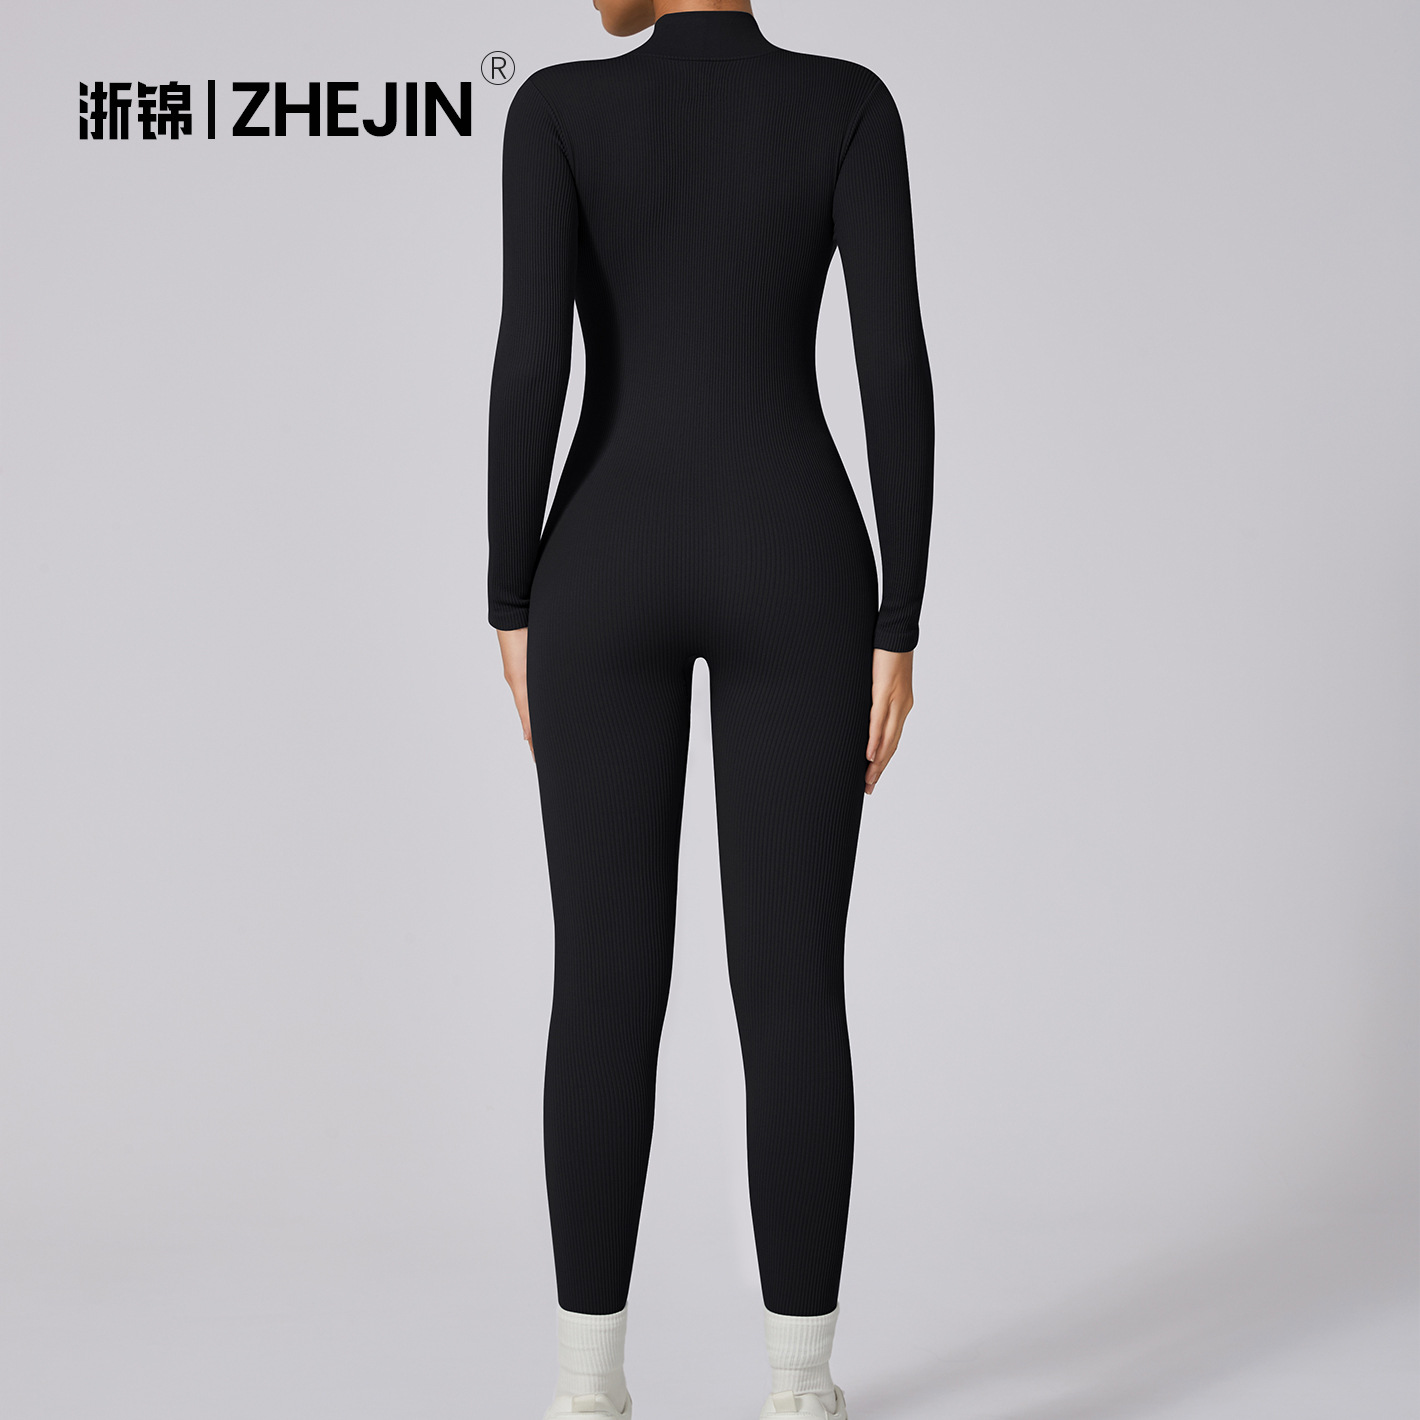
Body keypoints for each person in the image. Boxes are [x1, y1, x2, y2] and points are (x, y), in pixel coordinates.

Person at [486, 1, 933, 1415]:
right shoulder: (846, 104)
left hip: (600, 563)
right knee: (792, 986)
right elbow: (892, 363)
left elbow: (533, 360)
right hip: (796, 558)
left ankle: (587, 1390)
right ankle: (801, 1389)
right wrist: (899, 618)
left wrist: (509, 596)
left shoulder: (559, 110)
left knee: (601, 983)